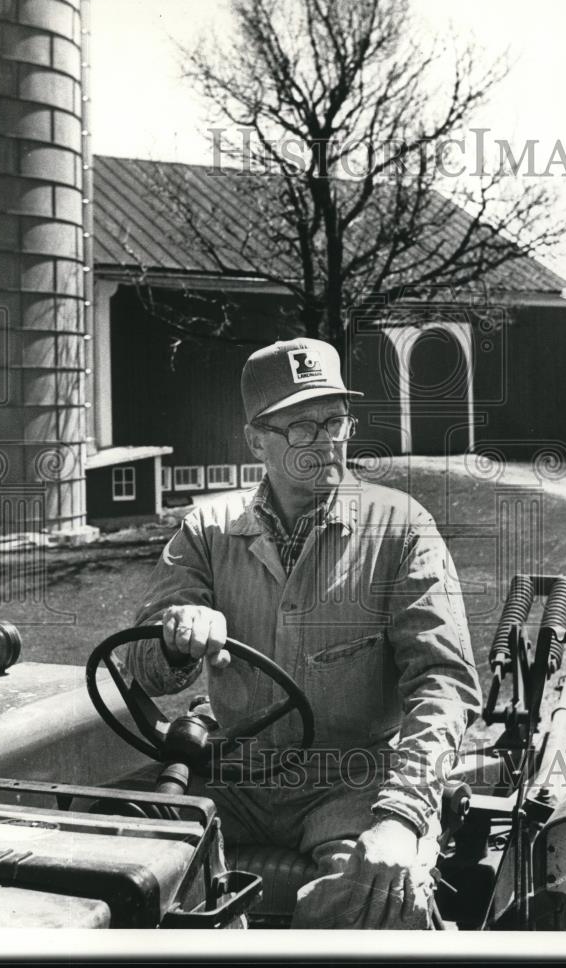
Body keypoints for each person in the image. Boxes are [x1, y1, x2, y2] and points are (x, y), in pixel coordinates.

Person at [123, 337, 481, 929]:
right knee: (118, 853)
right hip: (236, 775)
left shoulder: (401, 529)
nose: (328, 440)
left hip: (354, 781)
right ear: (256, 440)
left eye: (336, 420)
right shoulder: (208, 531)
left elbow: (443, 683)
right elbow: (144, 666)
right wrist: (173, 633)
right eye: (303, 427)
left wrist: (401, 815)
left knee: (382, 891)